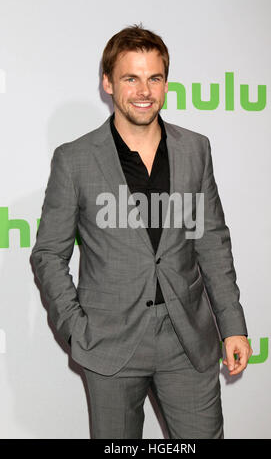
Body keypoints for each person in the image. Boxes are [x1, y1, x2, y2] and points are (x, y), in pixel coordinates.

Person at [30, 24, 252, 439]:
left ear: (166, 83)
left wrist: (233, 324)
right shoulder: (74, 159)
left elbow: (213, 243)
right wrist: (77, 329)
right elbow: (48, 254)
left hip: (187, 339)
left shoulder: (195, 149)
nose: (143, 90)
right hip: (109, 342)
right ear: (108, 83)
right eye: (130, 77)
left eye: (154, 78)